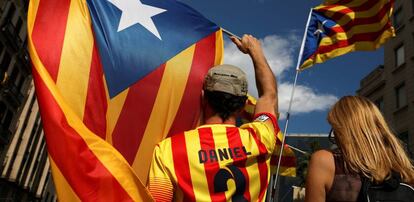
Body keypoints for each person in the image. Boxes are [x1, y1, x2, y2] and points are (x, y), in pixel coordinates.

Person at [147, 34, 280, 201]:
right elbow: (269, 96)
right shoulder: (260, 138)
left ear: (203, 97)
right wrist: (255, 51)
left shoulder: (168, 151)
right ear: (243, 105)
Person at [305, 96, 414, 202]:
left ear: (344, 130)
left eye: (335, 130)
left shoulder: (325, 161)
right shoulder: (405, 171)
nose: (335, 138)